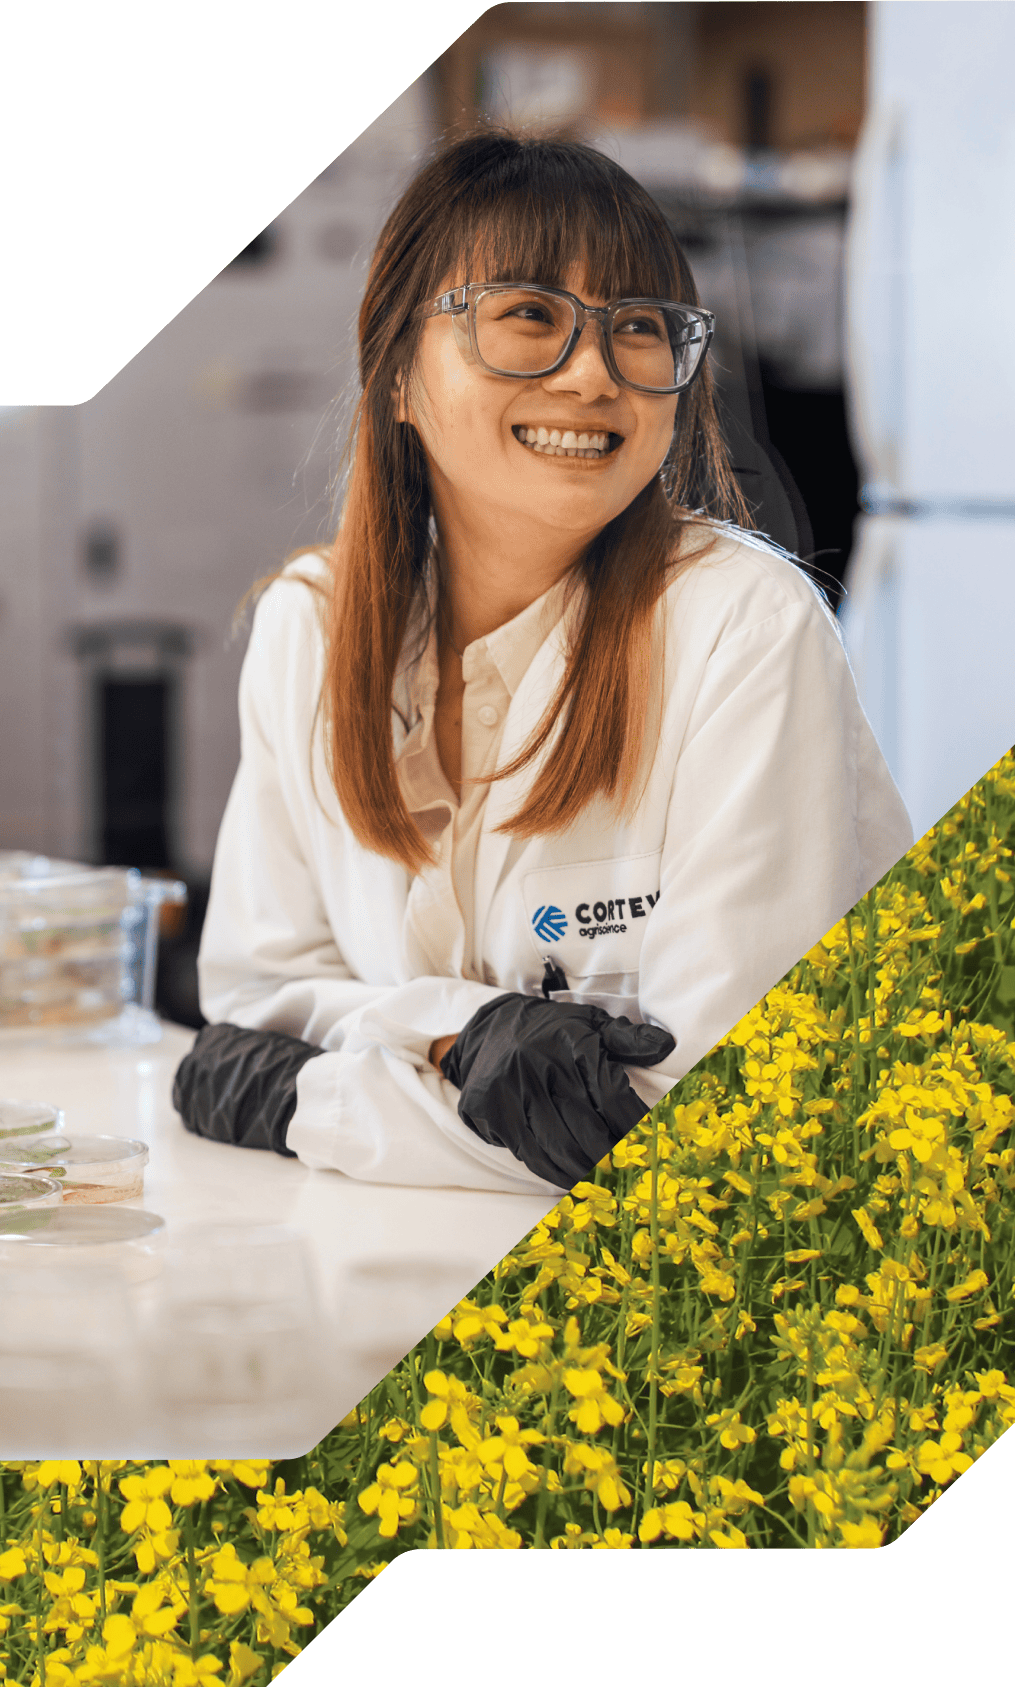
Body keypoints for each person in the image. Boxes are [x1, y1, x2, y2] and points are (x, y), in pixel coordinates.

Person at [172, 130, 910, 1197]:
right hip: (393, 1267)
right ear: (396, 377)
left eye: (640, 329)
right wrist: (466, 1036)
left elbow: (705, 1131)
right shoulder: (314, 628)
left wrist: (306, 1102)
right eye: (528, 317)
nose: (593, 374)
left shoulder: (742, 624)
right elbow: (257, 995)